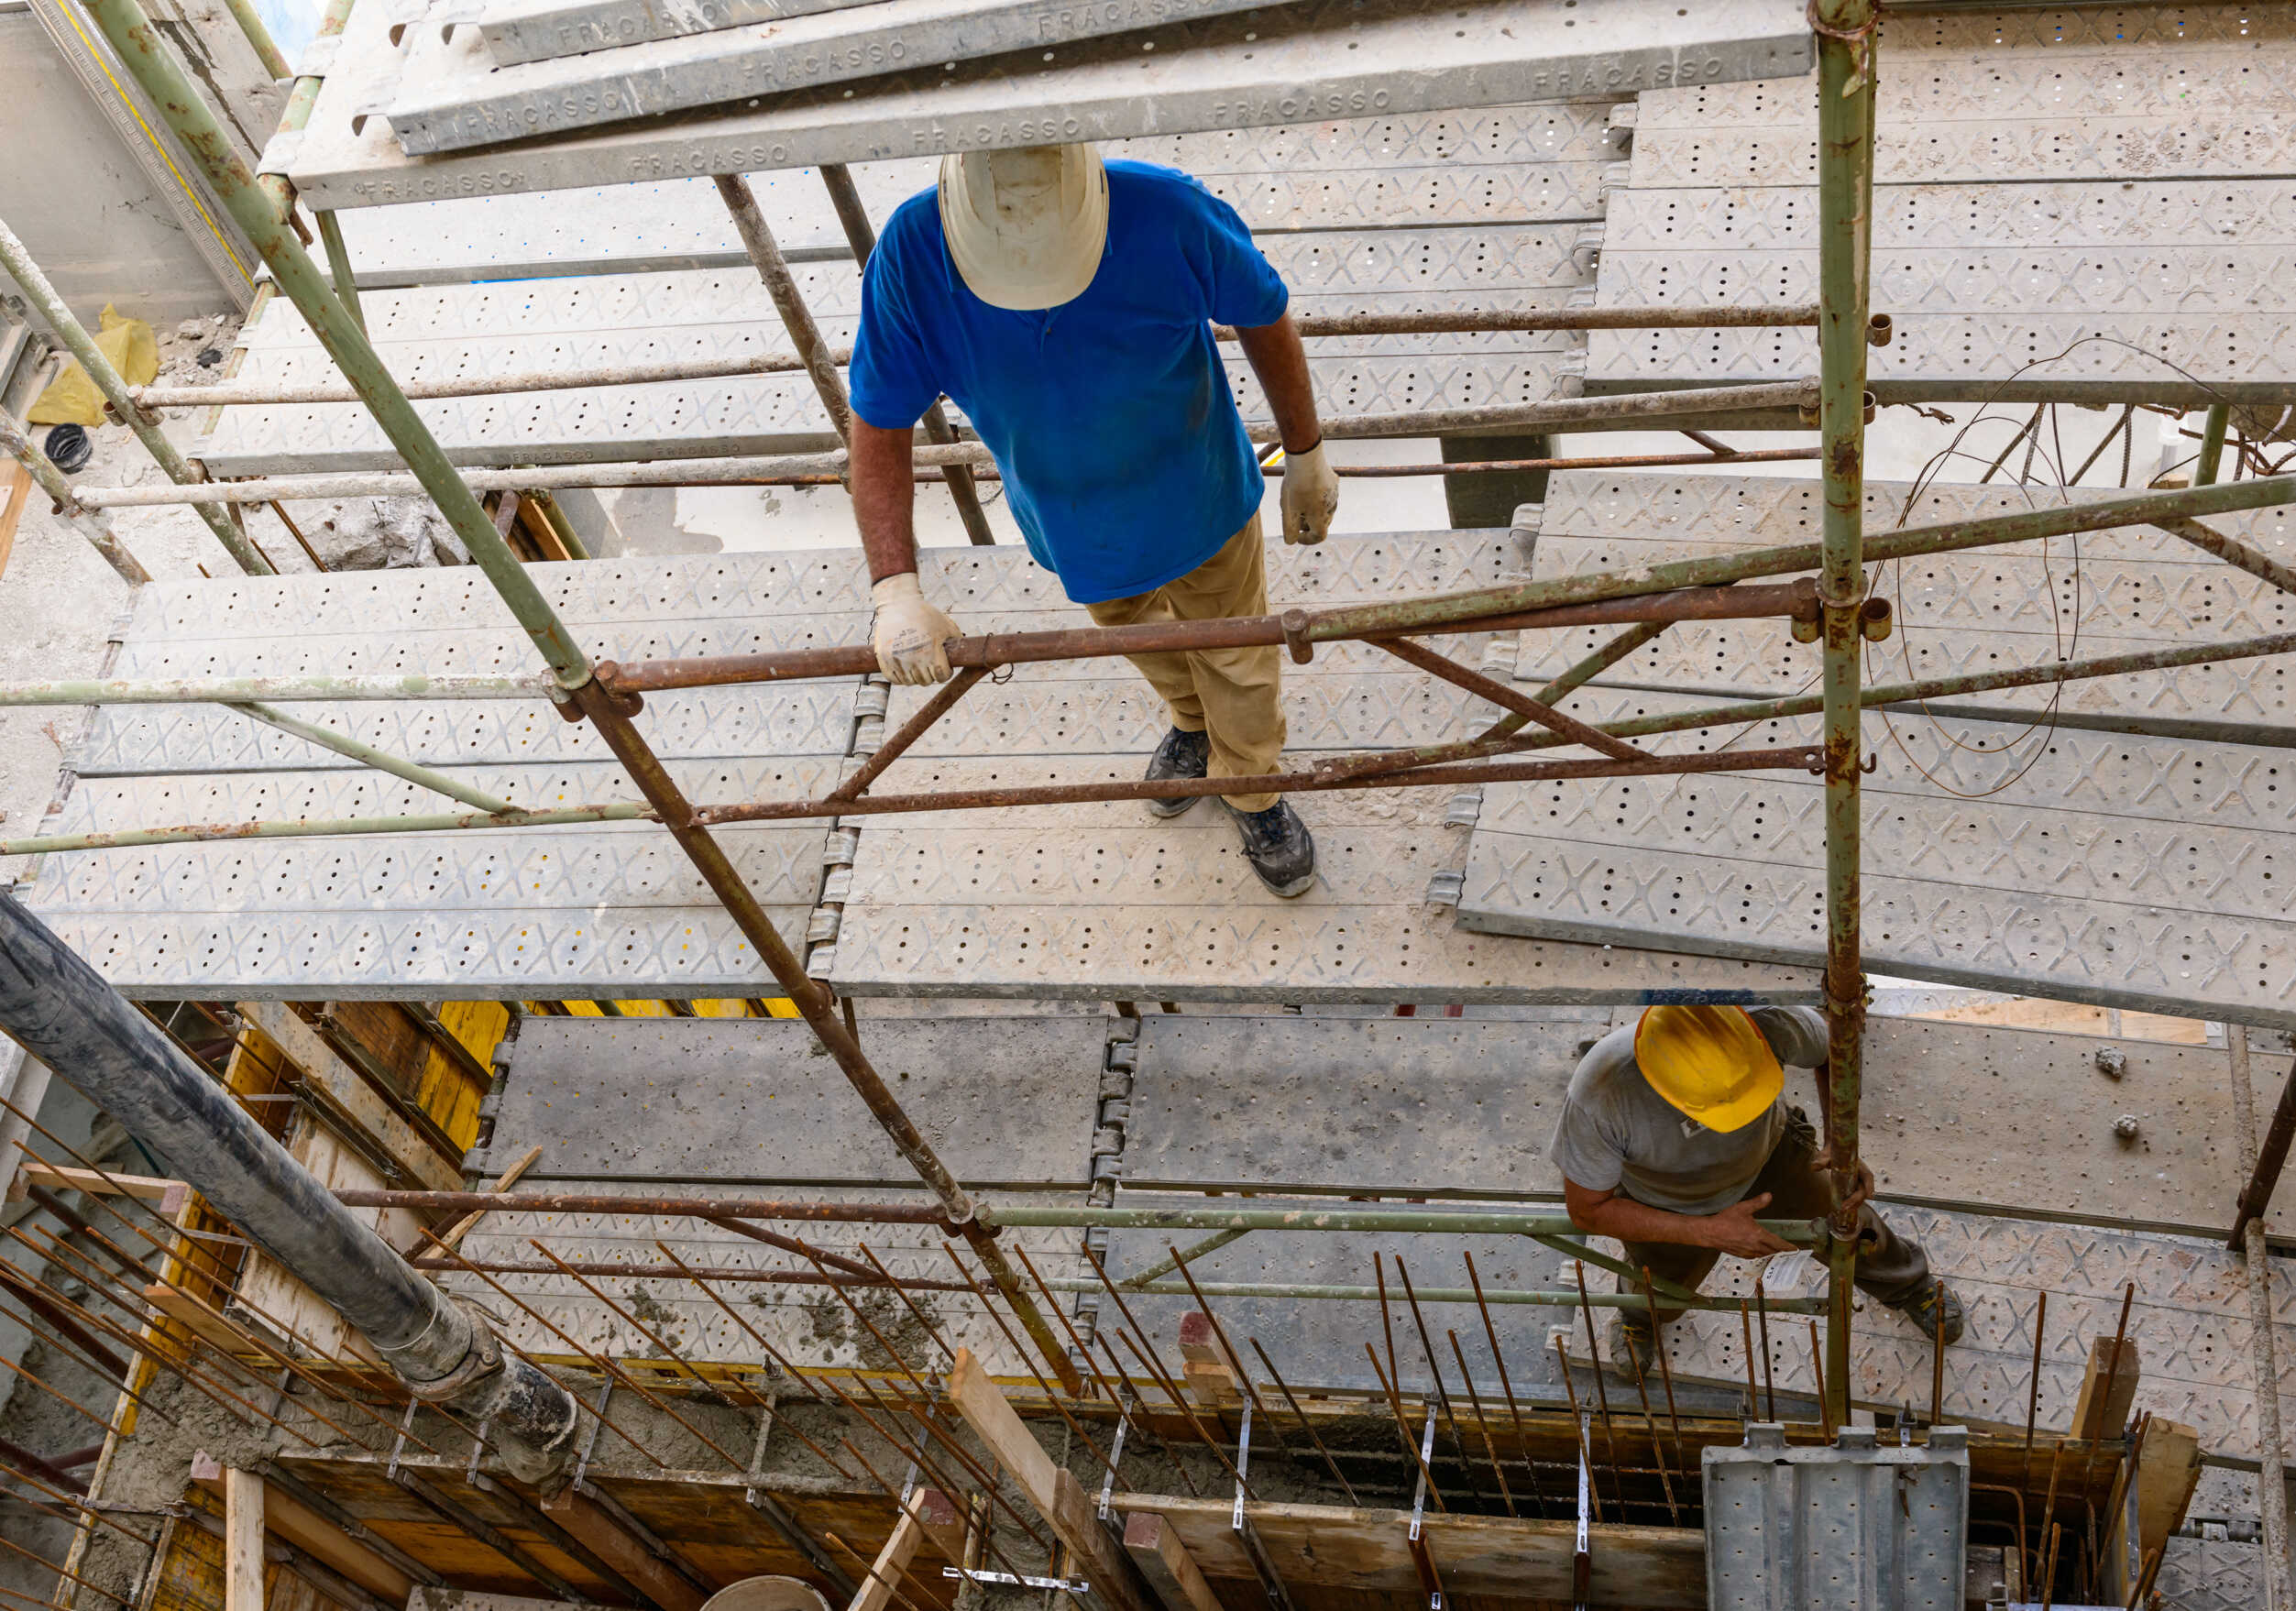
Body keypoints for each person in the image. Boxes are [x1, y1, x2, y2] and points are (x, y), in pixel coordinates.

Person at [845, 143, 1340, 898]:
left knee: (1236, 659)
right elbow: (878, 424)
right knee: (1135, 635)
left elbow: (1262, 312)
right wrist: (894, 589)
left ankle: (1252, 791)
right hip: (1070, 524)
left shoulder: (1166, 210)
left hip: (1198, 496)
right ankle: (1191, 724)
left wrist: (1304, 452)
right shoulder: (912, 255)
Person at [1549, 1003, 1963, 1381]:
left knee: (1850, 1227)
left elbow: (1834, 1048)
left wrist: (1842, 1138)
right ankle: (1640, 1318)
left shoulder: (1761, 1021)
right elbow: (1588, 1211)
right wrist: (1707, 1232)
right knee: (1658, 1287)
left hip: (1773, 1156)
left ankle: (1907, 1284)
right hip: (1666, 1198)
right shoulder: (1602, 1094)